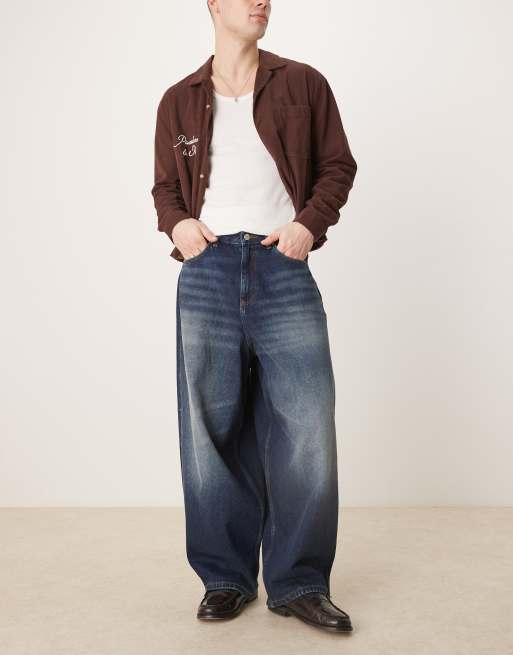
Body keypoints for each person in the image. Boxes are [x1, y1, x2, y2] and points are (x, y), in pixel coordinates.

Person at [151, 0, 357, 634]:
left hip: (282, 265)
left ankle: (299, 583)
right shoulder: (179, 99)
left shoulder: (303, 83)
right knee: (209, 431)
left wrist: (307, 226)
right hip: (207, 272)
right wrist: (178, 225)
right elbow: (165, 188)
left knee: (307, 426)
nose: (262, 1)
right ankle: (226, 578)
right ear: (214, 4)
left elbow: (337, 166)